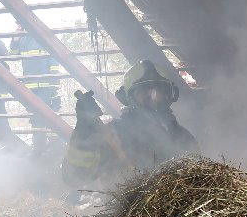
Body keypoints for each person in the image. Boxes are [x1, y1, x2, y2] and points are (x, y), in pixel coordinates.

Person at [62, 59, 198, 189]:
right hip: (125, 211)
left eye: (160, 91)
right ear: (127, 97)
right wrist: (84, 130)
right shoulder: (112, 135)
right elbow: (74, 178)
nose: (154, 98)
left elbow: (198, 183)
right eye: (144, 92)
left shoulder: (183, 137)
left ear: (172, 95)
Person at [10, 24, 61, 152]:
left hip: (46, 86)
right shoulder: (22, 39)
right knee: (36, 116)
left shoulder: (43, 38)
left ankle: (55, 145)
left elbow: (54, 61)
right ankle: (40, 146)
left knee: (49, 113)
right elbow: (12, 55)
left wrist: (53, 83)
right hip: (30, 86)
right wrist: (15, 38)